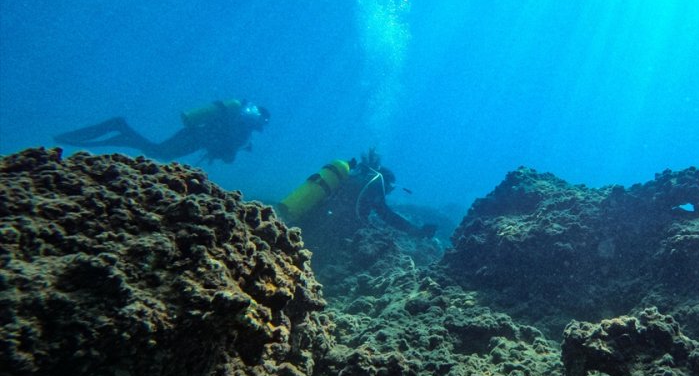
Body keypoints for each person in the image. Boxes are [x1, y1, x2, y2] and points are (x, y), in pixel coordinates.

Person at [277, 148, 436, 239]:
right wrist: (417, 231)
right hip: (329, 226)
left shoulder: (357, 173)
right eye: (390, 189)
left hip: (317, 212)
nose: (387, 193)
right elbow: (385, 214)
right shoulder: (376, 181)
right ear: (388, 183)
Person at [54, 99, 270, 164]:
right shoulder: (243, 131)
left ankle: (121, 131)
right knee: (159, 153)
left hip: (192, 135)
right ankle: (120, 128)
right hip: (193, 138)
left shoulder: (237, 122)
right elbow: (228, 156)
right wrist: (240, 148)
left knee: (157, 152)